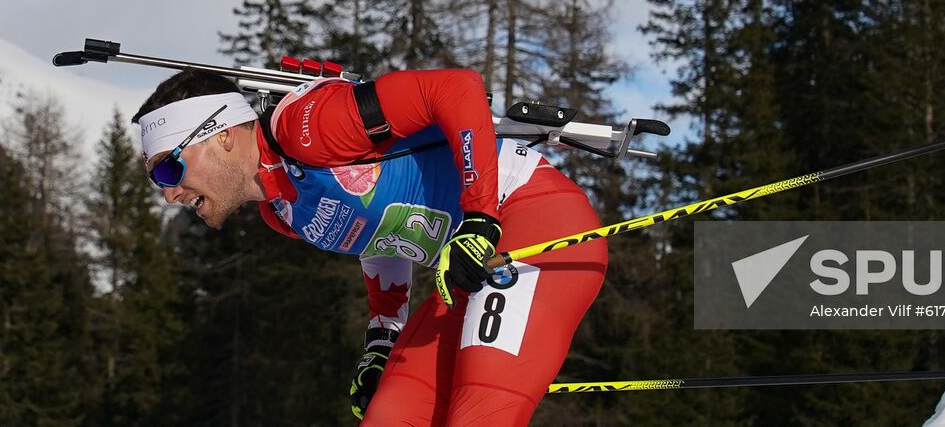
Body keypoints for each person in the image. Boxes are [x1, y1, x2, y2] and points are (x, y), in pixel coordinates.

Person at [132, 67, 608, 426]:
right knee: (390, 415)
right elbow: (379, 236)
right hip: (474, 268)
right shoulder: (281, 213)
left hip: (533, 216)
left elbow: (457, 88)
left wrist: (481, 219)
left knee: (480, 412)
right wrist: (384, 337)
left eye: (169, 168)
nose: (169, 193)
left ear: (222, 136)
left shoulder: (308, 126)